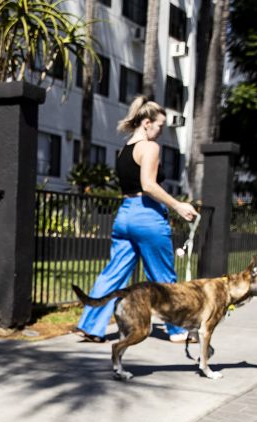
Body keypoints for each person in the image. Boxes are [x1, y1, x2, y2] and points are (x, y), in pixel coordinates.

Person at [76, 96, 198, 343]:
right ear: (146, 122)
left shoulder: (125, 149)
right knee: (163, 277)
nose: (161, 131)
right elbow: (148, 185)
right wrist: (178, 205)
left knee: (113, 273)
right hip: (147, 216)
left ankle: (90, 326)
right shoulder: (150, 147)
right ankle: (177, 331)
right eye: (160, 126)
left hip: (125, 215)